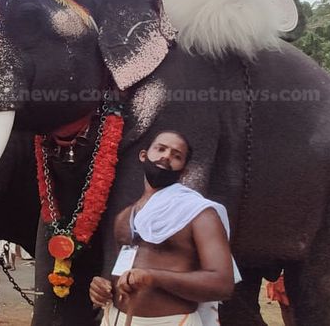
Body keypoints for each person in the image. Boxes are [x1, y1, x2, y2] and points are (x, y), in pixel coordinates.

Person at [89, 131, 236, 325]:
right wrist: (102, 287)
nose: (166, 156)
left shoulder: (199, 213)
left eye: (176, 156)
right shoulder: (125, 217)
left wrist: (154, 277)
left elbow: (222, 284)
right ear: (143, 156)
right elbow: (124, 271)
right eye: (160, 149)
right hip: (114, 318)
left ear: (183, 171)